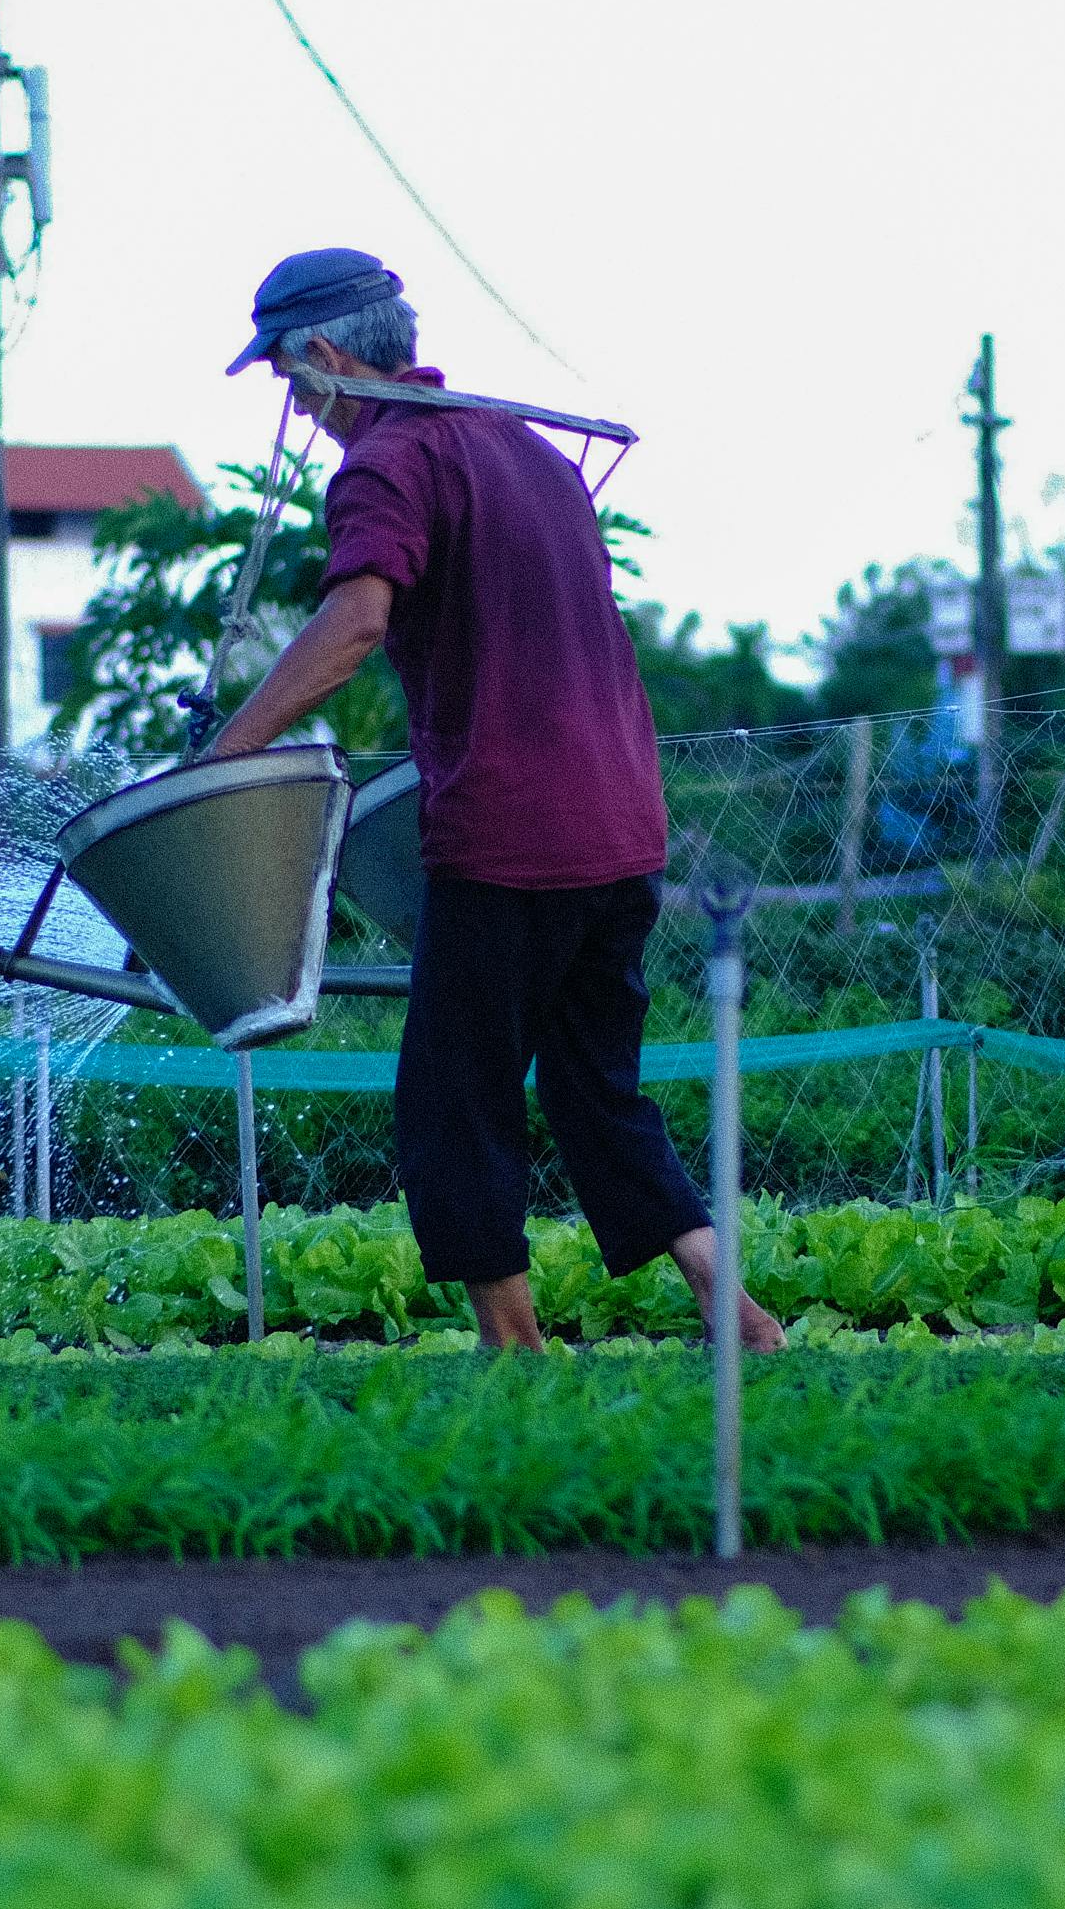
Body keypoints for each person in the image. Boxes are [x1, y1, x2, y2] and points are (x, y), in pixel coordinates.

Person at [206, 247, 784, 1354]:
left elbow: (358, 624)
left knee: (452, 1097)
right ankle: (730, 1301)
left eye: (289, 381)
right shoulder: (526, 451)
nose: (295, 407)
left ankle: (512, 1348)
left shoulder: (388, 464)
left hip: (511, 837)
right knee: (595, 1089)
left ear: (326, 359)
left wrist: (227, 753)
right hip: (622, 827)